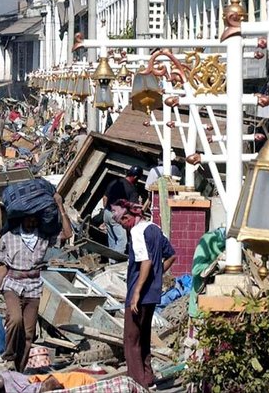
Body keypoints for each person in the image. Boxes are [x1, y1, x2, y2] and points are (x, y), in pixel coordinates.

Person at [0, 192, 72, 373]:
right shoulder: (9, 236)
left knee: (28, 334)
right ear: (22, 218)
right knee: (15, 319)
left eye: (35, 219)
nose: (32, 223)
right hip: (12, 284)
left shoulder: (43, 237)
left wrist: (60, 206)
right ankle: (9, 356)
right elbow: (2, 266)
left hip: (34, 286)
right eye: (29, 219)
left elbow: (67, 233)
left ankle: (18, 370)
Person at [112, 200, 176, 389]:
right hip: (153, 293)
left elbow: (145, 262)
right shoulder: (155, 228)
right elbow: (171, 255)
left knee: (131, 340)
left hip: (139, 292)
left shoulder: (137, 231)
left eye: (122, 222)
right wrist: (157, 276)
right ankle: (148, 376)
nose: (123, 226)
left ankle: (137, 383)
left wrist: (136, 292)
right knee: (144, 336)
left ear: (127, 217)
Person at [102, 165, 143, 257]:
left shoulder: (115, 182)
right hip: (117, 217)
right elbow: (134, 208)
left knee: (112, 240)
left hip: (107, 213)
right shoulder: (132, 189)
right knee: (122, 241)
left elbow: (105, 198)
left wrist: (107, 211)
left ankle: (111, 262)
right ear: (136, 177)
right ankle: (115, 263)